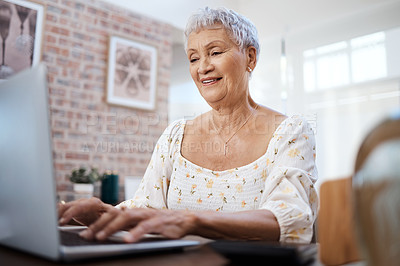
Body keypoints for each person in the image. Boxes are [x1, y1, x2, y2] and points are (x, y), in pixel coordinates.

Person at [59, 7, 318, 244]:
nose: (203, 67)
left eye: (215, 52)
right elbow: (147, 210)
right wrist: (102, 212)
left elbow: (289, 220)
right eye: (194, 58)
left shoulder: (291, 132)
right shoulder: (175, 136)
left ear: (250, 57)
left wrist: (191, 220)